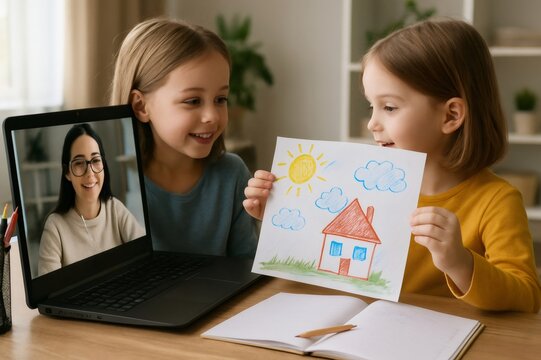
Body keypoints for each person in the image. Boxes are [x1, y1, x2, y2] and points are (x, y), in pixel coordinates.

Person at [243, 19, 541, 313]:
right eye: (371, 105)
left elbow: (526, 296)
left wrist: (459, 262)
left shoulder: (496, 201)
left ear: (451, 116)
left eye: (389, 107)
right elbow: (317, 265)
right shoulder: (359, 185)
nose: (372, 123)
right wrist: (276, 219)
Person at [109, 18, 258, 258]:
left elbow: (247, 270)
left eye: (221, 99)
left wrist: (275, 225)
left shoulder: (232, 174)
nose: (211, 116)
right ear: (141, 106)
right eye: (193, 101)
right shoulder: (110, 183)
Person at [38, 124, 145, 275]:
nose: (90, 173)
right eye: (79, 163)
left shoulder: (115, 209)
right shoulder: (55, 227)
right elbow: (47, 293)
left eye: (95, 160)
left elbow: (145, 256)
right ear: (67, 172)